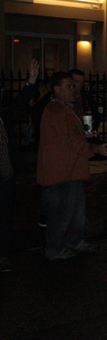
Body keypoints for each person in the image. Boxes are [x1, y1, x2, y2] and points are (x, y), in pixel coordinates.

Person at [38, 72, 107, 260]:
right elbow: (70, 140)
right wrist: (95, 148)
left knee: (76, 210)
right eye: (69, 86)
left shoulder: (64, 108)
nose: (74, 90)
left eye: (74, 86)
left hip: (71, 169)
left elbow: (70, 136)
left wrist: (85, 136)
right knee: (61, 212)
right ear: (57, 89)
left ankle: (75, 241)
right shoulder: (56, 110)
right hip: (61, 171)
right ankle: (55, 249)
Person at [1, 59, 41, 272]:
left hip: (5, 176)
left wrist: (31, 83)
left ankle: (3, 255)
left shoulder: (3, 118)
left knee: (5, 218)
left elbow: (18, 106)